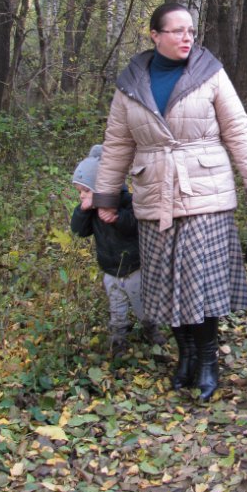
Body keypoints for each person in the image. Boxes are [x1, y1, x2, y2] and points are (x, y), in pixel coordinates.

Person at [93, 2, 247, 402]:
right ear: (155, 36)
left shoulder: (210, 74)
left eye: (190, 30)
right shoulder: (130, 85)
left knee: (200, 285)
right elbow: (117, 144)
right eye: (176, 31)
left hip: (205, 194)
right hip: (154, 196)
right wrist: (105, 196)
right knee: (166, 284)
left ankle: (208, 361)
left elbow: (240, 133)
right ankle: (186, 356)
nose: (186, 37)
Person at [71, 145, 163, 356]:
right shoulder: (91, 212)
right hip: (110, 268)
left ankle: (151, 328)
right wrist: (83, 211)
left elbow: (135, 225)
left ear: (102, 188)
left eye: (86, 191)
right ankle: (118, 338)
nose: (82, 196)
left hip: (134, 267)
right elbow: (79, 230)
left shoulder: (127, 202)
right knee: (117, 306)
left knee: (142, 303)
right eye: (80, 192)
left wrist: (117, 218)